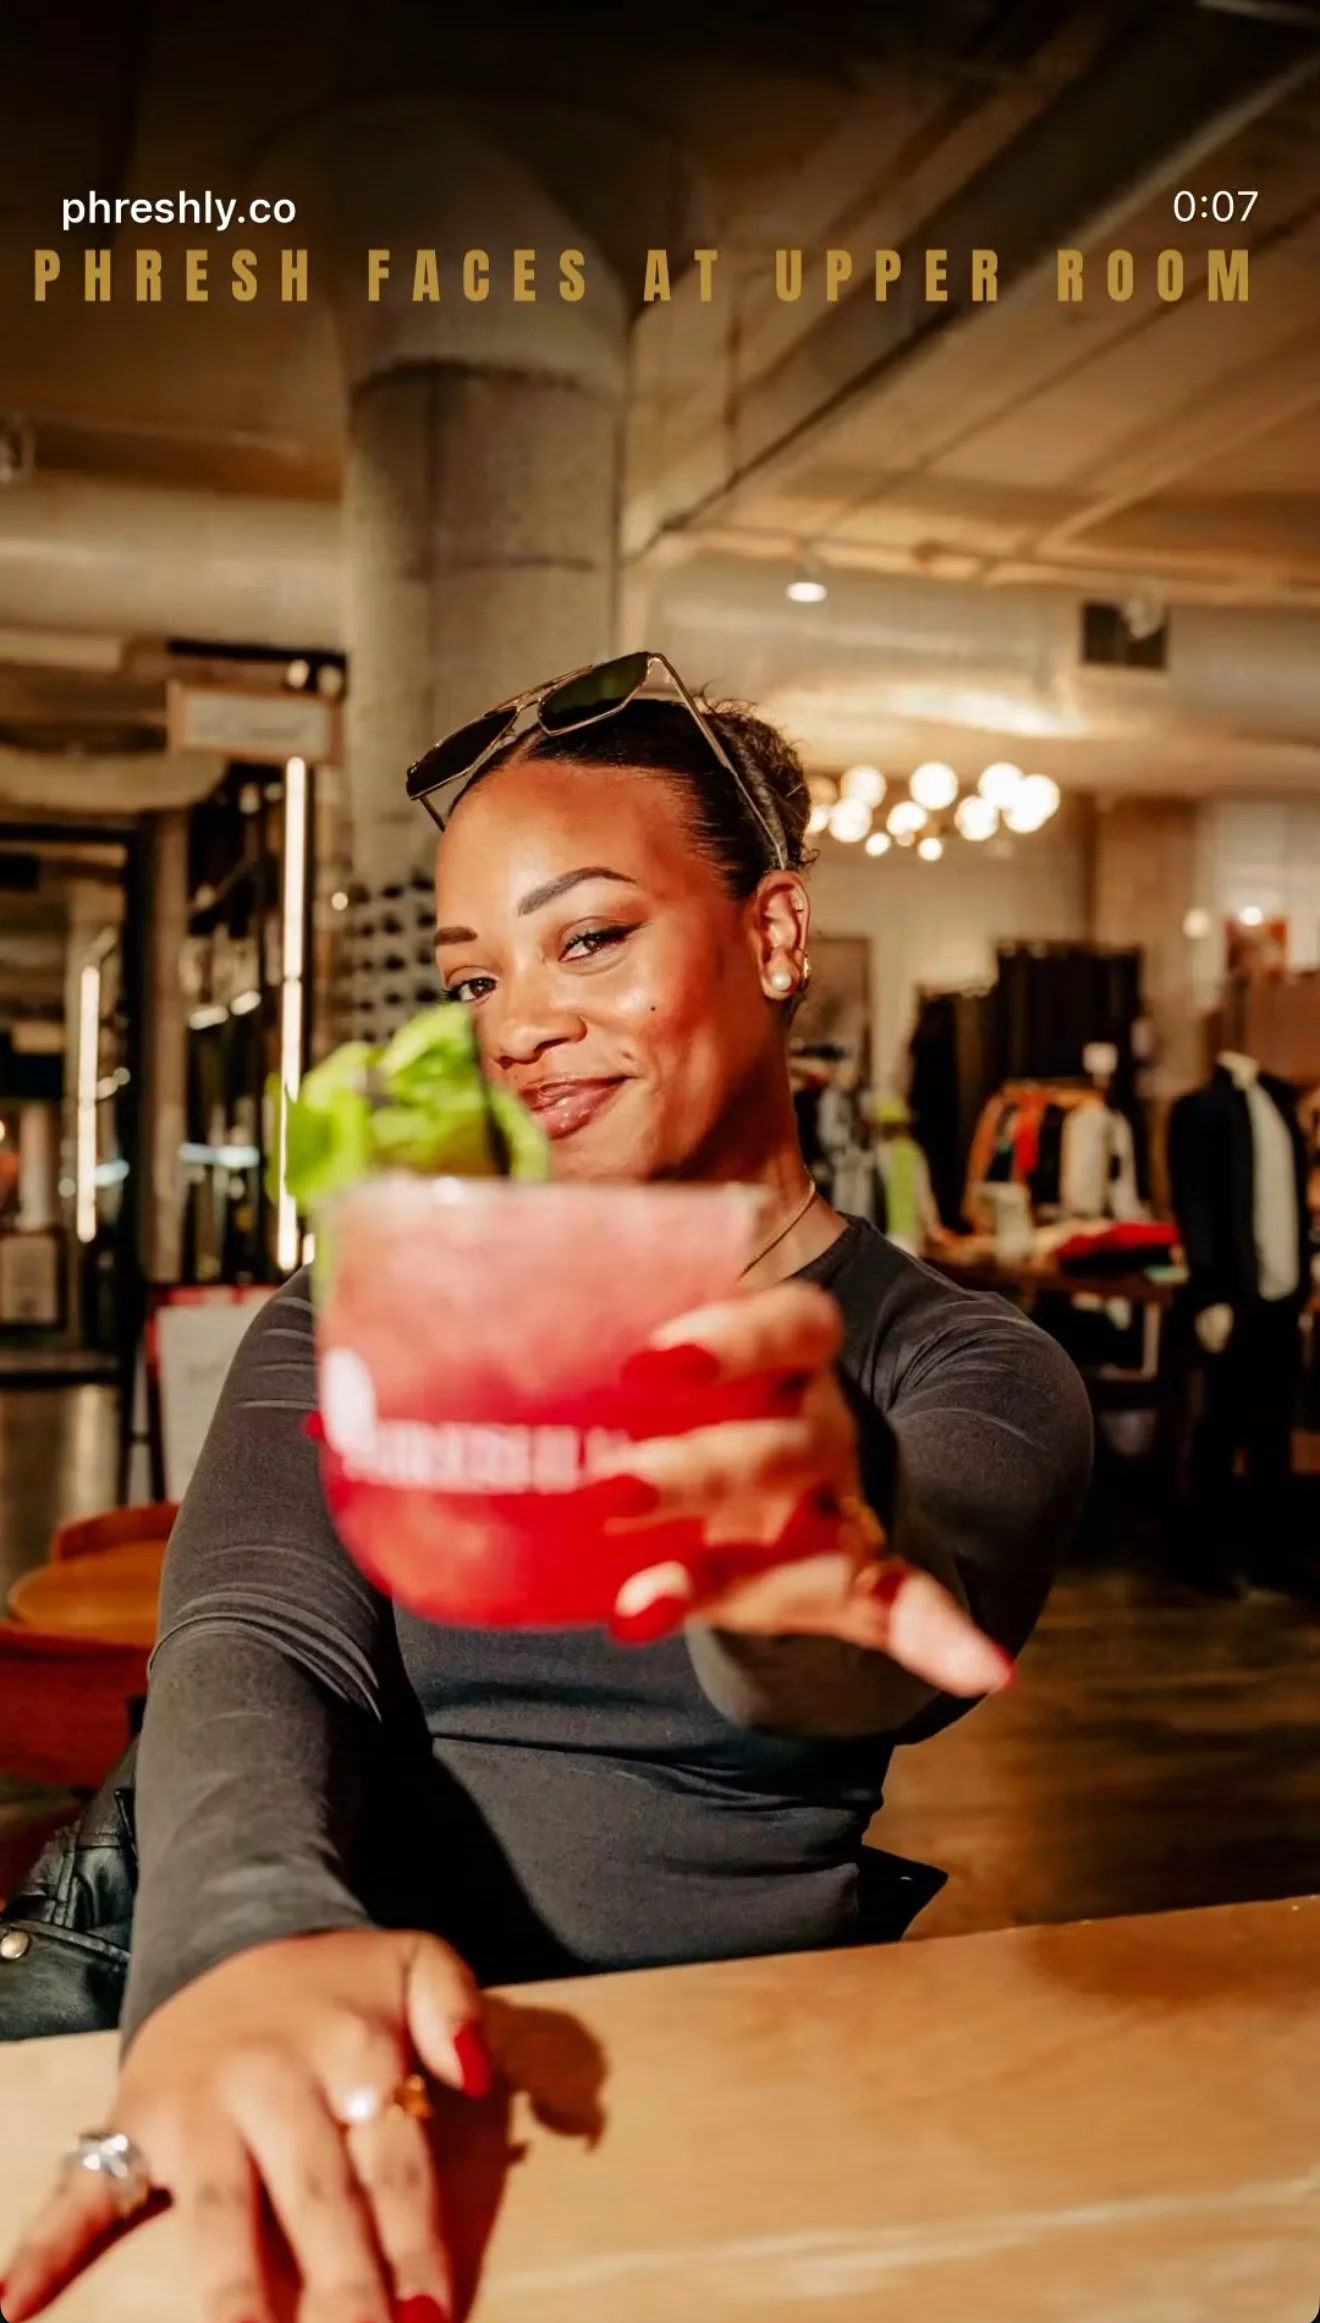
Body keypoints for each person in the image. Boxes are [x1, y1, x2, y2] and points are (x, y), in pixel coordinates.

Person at [1, 653, 1092, 2323]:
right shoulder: (381, 1290)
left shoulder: (969, 1368)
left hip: (674, 2061)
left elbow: (852, 1661)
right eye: (476, 975)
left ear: (776, 935)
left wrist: (812, 1518)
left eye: (591, 937)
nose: (519, 1025)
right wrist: (245, 1944)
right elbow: (259, 1632)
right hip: (209, 1953)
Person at [869, 1091, 943, 1258]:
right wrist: (934, 1229)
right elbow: (923, 1194)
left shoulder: (876, 1155)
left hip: (878, 1232)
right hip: (907, 1231)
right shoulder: (911, 1153)